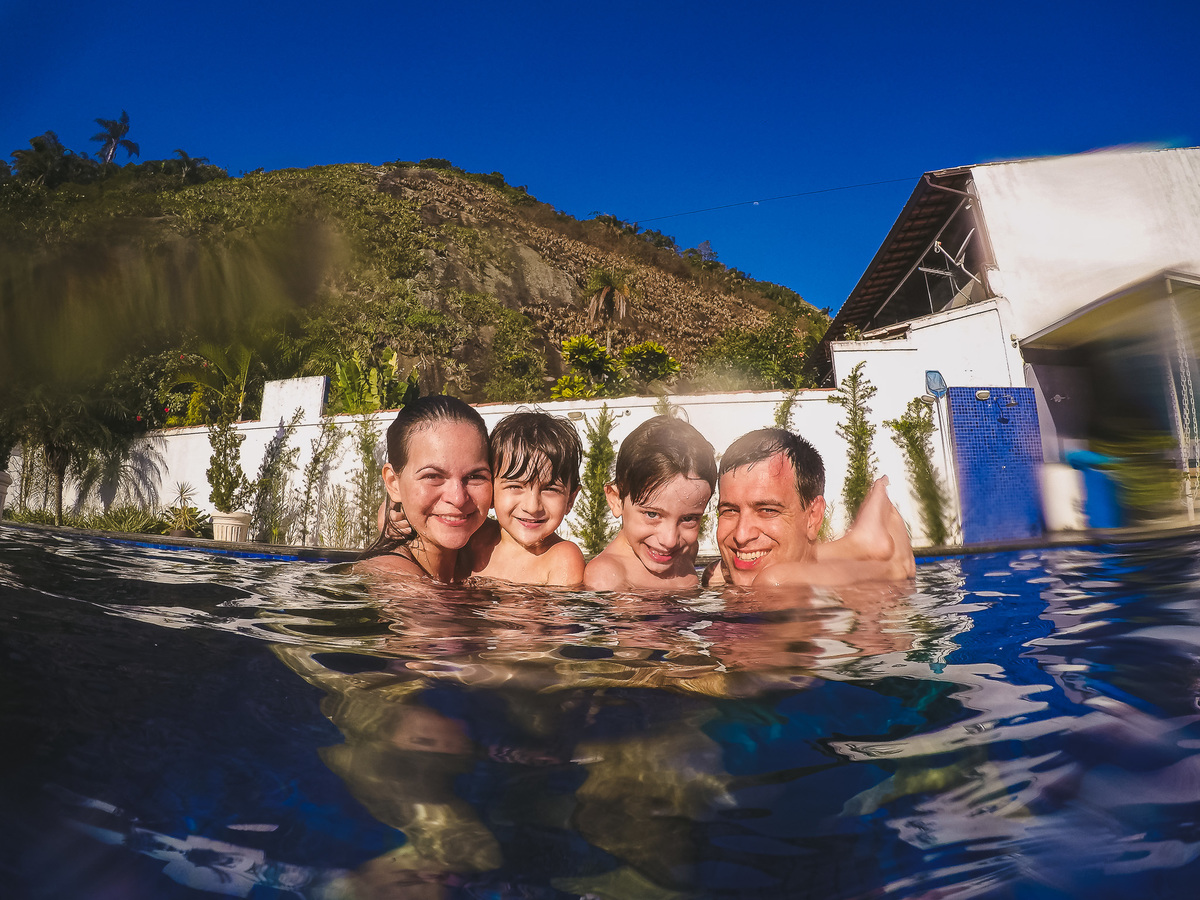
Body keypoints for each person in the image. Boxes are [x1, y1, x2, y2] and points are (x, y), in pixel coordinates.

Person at [709, 427, 915, 588]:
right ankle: (857, 544)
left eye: (767, 510)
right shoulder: (716, 579)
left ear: (813, 516)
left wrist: (892, 570)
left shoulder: (774, 583)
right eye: (730, 511)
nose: (741, 535)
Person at [356, 395, 493, 583]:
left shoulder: (483, 554)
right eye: (433, 476)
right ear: (393, 483)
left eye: (475, 476)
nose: (458, 498)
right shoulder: (392, 577)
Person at [583, 416, 717, 591]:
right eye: (652, 514)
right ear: (616, 499)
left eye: (689, 518)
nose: (669, 541)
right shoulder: (608, 575)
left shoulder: (686, 552)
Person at [468, 410, 586, 585]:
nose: (532, 507)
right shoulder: (473, 536)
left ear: (570, 500)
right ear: (490, 491)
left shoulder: (562, 558)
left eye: (550, 489)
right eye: (515, 486)